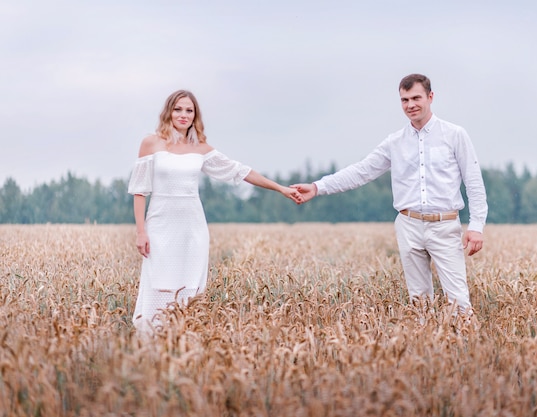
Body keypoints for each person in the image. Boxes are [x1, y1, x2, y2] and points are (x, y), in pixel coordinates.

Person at [292, 74, 487, 316]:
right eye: (404, 100)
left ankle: (465, 350)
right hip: (408, 224)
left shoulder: (455, 135)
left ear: (430, 97)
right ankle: (428, 351)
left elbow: (474, 182)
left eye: (416, 98)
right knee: (419, 304)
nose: (410, 105)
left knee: (458, 302)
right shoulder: (395, 142)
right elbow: (362, 171)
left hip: (444, 225)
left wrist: (476, 225)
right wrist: (318, 187)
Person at [128, 89, 302, 334]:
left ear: (195, 115)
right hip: (160, 225)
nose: (183, 115)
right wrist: (140, 232)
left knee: (189, 286)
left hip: (192, 227)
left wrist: (280, 188)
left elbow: (240, 171)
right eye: (178, 109)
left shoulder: (200, 149)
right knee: (159, 282)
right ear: (168, 111)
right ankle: (152, 346)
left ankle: (183, 342)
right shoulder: (151, 143)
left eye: (189, 110)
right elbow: (139, 190)